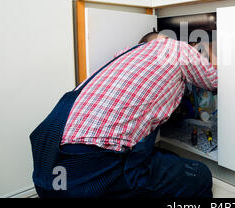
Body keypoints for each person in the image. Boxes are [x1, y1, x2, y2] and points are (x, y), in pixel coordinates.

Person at [30, 30, 218, 198]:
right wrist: (199, 50)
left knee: (165, 158)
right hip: (87, 171)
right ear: (163, 38)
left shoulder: (122, 56)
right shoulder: (173, 47)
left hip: (45, 167)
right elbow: (215, 81)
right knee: (200, 175)